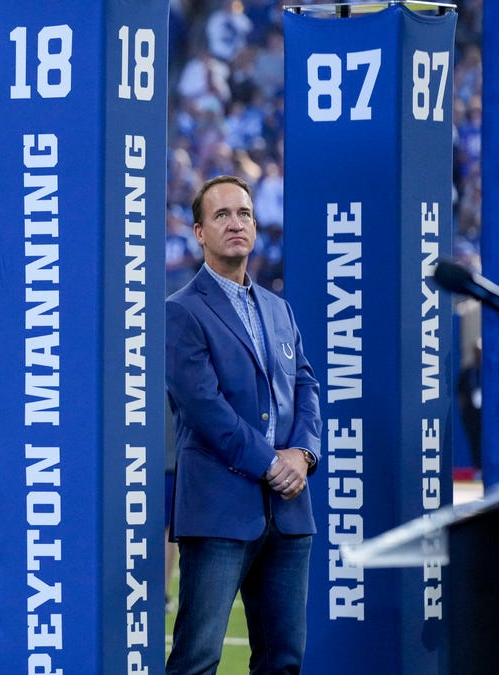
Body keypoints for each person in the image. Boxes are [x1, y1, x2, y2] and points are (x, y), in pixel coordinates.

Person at [164, 175, 321, 674]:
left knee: (284, 662)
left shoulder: (280, 308)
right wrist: (271, 462)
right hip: (218, 508)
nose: (236, 223)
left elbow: (306, 388)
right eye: (222, 215)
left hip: (289, 509)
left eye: (245, 214)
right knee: (197, 659)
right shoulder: (180, 311)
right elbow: (203, 407)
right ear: (199, 232)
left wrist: (304, 454)